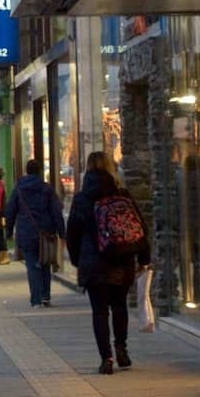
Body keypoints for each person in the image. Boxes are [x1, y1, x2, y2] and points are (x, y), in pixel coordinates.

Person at [67, 152, 149, 375]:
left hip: (93, 263)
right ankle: (122, 347)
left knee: (100, 311)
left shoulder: (82, 198)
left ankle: (107, 358)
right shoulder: (121, 193)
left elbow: (72, 234)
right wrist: (143, 258)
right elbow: (139, 227)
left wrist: (76, 260)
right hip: (122, 260)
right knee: (119, 305)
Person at [5, 160, 64, 308]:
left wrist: (8, 231)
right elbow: (56, 212)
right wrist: (62, 232)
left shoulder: (19, 189)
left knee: (32, 266)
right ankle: (45, 295)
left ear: (27, 171)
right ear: (39, 171)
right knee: (45, 263)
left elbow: (10, 210)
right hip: (46, 232)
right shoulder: (47, 189)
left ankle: (35, 299)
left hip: (26, 232)